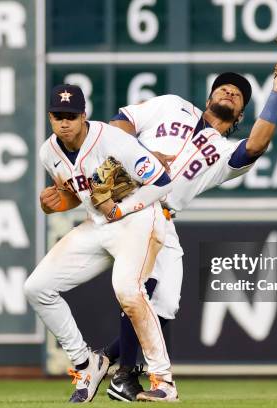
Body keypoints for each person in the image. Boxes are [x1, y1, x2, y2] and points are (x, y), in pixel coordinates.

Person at [100, 72, 277, 401]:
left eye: (237, 95)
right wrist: (141, 158)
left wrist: (276, 92)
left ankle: (107, 359)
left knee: (166, 305)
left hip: (162, 217)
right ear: (208, 100)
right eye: (223, 88)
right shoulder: (171, 106)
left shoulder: (223, 153)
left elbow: (256, 145)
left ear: (240, 116)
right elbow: (118, 125)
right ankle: (125, 377)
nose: (230, 93)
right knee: (143, 289)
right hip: (129, 201)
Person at [24, 84, 178, 402]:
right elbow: (78, 195)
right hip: (99, 225)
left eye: (70, 116)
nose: (64, 122)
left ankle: (163, 381)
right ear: (50, 118)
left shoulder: (112, 139)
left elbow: (162, 182)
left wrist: (121, 208)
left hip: (140, 220)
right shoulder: (48, 153)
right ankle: (86, 362)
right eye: (57, 116)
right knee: (36, 288)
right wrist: (53, 203)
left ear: (84, 115)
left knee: (128, 292)